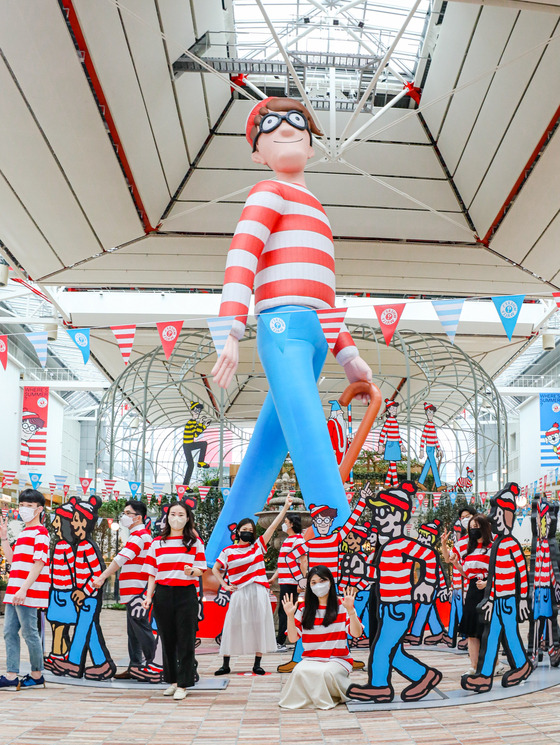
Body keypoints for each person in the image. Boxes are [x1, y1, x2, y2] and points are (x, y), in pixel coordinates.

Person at [206, 96, 373, 563]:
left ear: (313, 144)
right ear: (257, 153)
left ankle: (212, 564)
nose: (284, 129)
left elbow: (325, 292)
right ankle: (342, 564)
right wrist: (232, 330)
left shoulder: (316, 208)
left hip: (317, 332)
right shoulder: (267, 191)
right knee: (314, 445)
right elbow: (241, 256)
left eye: (296, 122)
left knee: (262, 458)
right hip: (281, 327)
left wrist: (346, 351)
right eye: (269, 126)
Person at [346, 482, 442, 703]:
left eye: (382, 513)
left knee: (381, 648)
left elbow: (428, 556)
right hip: (387, 606)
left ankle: (379, 687)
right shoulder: (388, 547)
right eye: (376, 513)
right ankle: (425, 675)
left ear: (398, 516)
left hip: (399, 607)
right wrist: (363, 572)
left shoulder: (402, 545)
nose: (377, 518)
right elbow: (380, 574)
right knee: (393, 652)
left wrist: (427, 583)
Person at [212, 494, 294, 675]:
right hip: (239, 591)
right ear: (238, 531)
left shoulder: (258, 546)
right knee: (232, 625)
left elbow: (272, 526)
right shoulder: (228, 551)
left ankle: (257, 663)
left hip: (258, 590)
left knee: (259, 625)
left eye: (250, 529)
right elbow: (216, 569)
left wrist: (286, 507)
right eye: (244, 529)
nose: (247, 531)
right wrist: (225, 586)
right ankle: (226, 664)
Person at [462, 484, 532, 692]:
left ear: (509, 516)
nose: (496, 517)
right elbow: (493, 576)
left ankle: (521, 666)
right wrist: (490, 597)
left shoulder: (510, 544)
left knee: (510, 634)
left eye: (502, 514)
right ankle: (484, 676)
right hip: (497, 599)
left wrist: (522, 600)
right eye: (495, 513)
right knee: (491, 635)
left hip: (509, 599)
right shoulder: (498, 545)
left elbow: (522, 572)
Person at [142, 501, 206, 701]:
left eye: (181, 514)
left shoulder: (194, 542)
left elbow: (201, 569)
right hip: (163, 594)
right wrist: (148, 596)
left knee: (185, 640)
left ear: (187, 518)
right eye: (172, 514)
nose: (176, 518)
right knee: (167, 639)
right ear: (167, 517)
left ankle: (184, 684)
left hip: (186, 593)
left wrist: (191, 571)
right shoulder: (157, 543)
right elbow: (152, 573)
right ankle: (172, 681)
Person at [279, 566, 363, 709]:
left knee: (325, 673)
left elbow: (356, 633)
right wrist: (290, 616)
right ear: (309, 586)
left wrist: (351, 611)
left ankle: (329, 697)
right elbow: (293, 638)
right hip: (311, 658)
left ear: (330, 582)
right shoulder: (303, 608)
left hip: (338, 659)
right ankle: (313, 698)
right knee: (299, 671)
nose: (318, 585)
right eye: (313, 582)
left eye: (322, 580)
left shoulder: (342, 605)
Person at [93, 500, 157, 681]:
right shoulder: (139, 535)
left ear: (137, 517)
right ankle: (136, 666)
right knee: (134, 631)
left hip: (138, 591)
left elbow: (120, 559)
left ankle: (156, 665)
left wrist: (102, 577)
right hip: (135, 591)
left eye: (127, 513)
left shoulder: (139, 536)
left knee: (141, 630)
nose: (123, 515)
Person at [0, 489, 50, 689]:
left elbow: (39, 564)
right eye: (22, 505)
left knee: (30, 633)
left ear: (39, 509)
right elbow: (14, 561)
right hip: (15, 590)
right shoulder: (24, 533)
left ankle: (37, 674)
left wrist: (23, 590)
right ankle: (12, 675)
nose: (24, 509)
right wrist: (4, 539)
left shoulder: (41, 533)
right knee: (9, 632)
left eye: (29, 506)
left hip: (27, 592)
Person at [448, 513, 493, 675]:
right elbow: (467, 574)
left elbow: (499, 572)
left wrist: (488, 583)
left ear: (485, 527)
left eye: (476, 527)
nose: (474, 530)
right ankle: (473, 666)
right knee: (472, 632)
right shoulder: (470, 549)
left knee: (486, 631)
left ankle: (489, 664)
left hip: (489, 592)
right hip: (473, 591)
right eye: (471, 528)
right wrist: (456, 564)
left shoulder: (493, 547)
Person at [441, 505, 476, 648]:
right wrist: (443, 544)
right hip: (460, 586)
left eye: (468, 516)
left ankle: (470, 638)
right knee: (461, 612)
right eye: (462, 518)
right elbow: (449, 559)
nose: (465, 520)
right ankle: (465, 637)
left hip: (475, 584)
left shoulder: (485, 538)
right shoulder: (461, 543)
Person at [269, 512, 306, 651]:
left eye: (285, 521)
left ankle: (281, 641)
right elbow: (283, 563)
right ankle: (287, 638)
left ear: (291, 524)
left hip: (291, 581)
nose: (284, 524)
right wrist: (274, 577)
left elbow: (303, 561)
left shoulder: (298, 541)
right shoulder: (288, 540)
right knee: (284, 611)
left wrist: (300, 582)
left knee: (285, 611)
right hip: (285, 581)